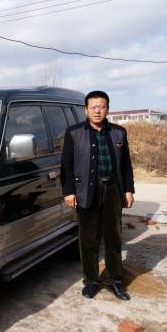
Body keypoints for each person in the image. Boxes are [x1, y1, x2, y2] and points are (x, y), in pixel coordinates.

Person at [60, 90, 135, 300]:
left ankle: (114, 280)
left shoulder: (119, 133)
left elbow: (126, 164)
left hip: (113, 190)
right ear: (86, 110)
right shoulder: (74, 133)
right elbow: (66, 165)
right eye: (93, 107)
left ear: (107, 109)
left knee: (113, 237)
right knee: (88, 239)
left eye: (101, 107)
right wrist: (69, 192)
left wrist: (129, 189)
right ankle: (91, 280)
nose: (97, 111)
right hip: (87, 191)